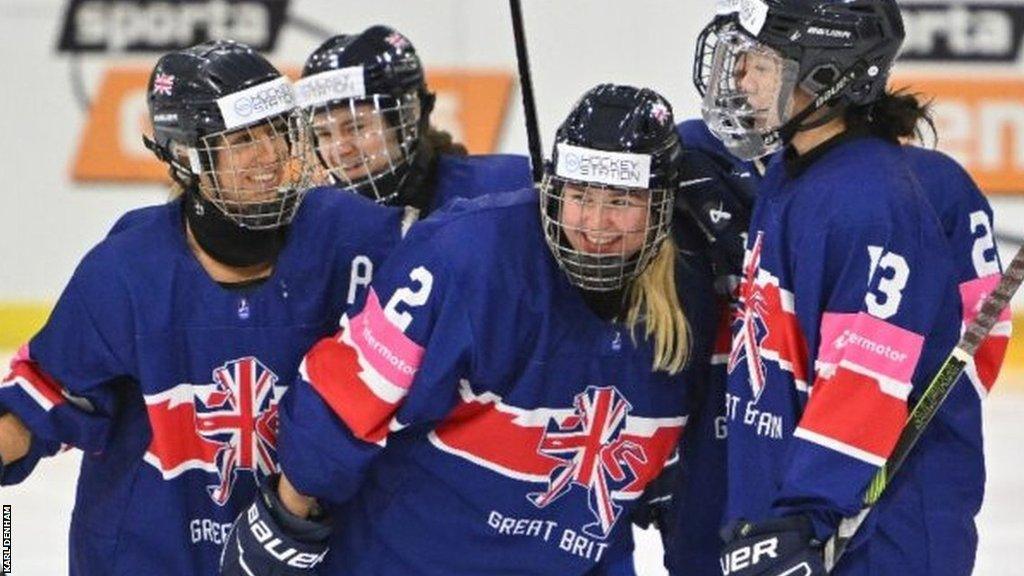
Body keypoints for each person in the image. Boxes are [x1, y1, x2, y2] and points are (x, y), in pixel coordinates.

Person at [219, 84, 712, 575]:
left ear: (661, 206)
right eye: (580, 195)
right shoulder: (468, 255)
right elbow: (350, 391)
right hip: (411, 559)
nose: (597, 224)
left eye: (621, 200)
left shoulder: (693, 290)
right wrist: (287, 517)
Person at [0, 40, 407, 575]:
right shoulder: (126, 272)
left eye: (276, 131)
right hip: (146, 557)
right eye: (241, 140)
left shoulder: (356, 240)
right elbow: (35, 409)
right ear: (186, 155)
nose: (269, 156)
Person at [687, 0, 1001, 574]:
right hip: (792, 506)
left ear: (825, 76)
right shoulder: (795, 170)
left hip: (874, 535)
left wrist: (806, 516)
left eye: (761, 65)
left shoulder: (869, 204)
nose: (740, 80)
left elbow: (864, 383)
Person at [293, 24, 533, 214]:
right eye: (324, 133)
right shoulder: (316, 226)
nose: (341, 148)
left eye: (356, 127)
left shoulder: (504, 191)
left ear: (410, 114)